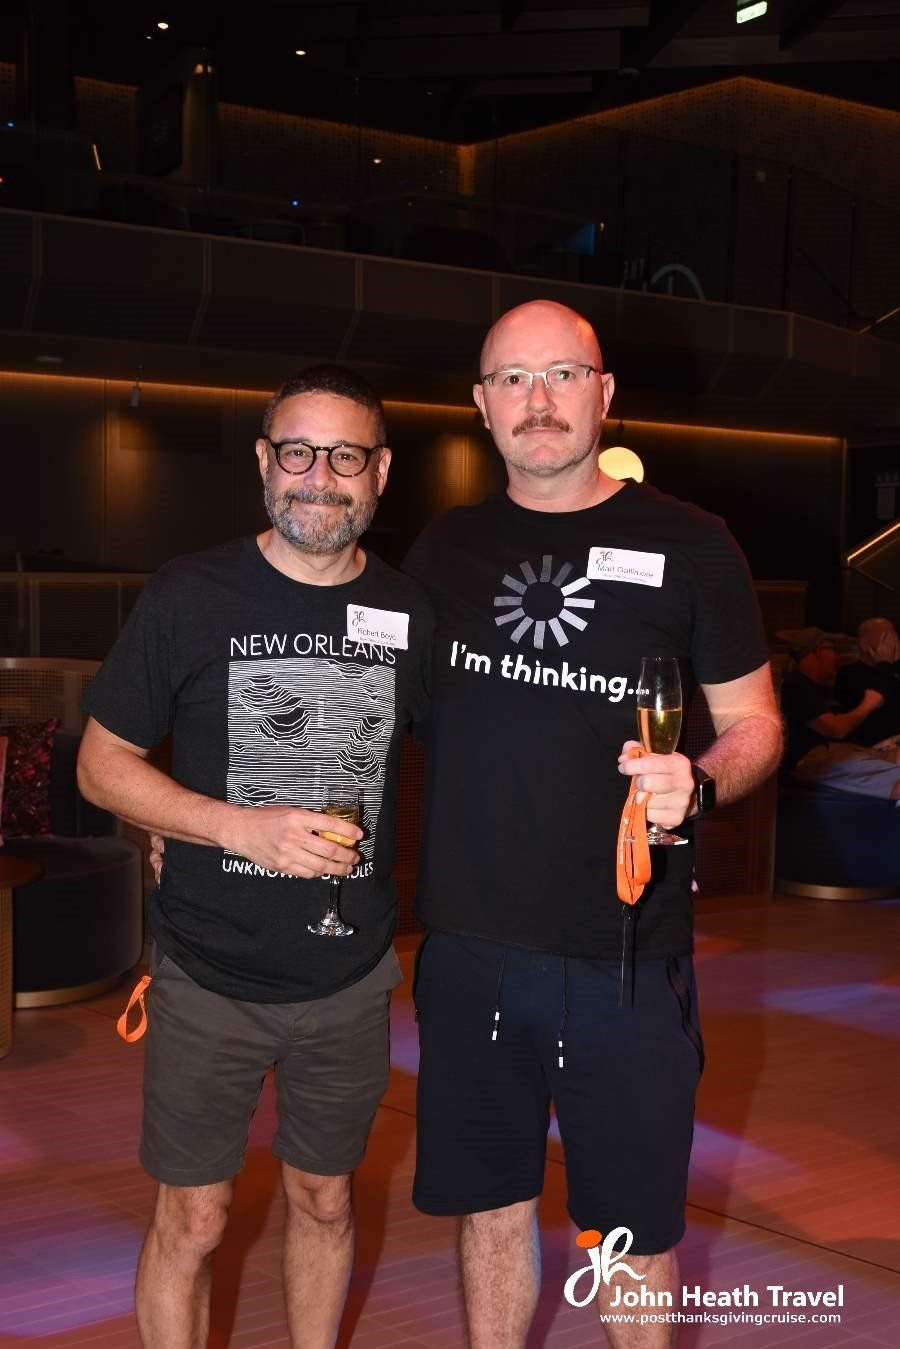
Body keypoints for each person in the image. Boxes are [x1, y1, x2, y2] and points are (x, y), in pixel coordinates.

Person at [403, 299, 784, 1349]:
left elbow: (756, 724)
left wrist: (699, 781)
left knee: (629, 1231)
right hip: (470, 947)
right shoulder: (443, 550)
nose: (539, 399)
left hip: (626, 952)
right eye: (513, 379)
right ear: (482, 404)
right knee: (489, 1210)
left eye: (563, 374)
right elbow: (368, 704)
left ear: (604, 392)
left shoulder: (692, 544)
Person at [76, 364, 432, 1349]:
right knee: (194, 1220)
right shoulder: (191, 592)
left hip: (350, 977)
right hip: (207, 972)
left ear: (381, 472)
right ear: (265, 463)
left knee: (325, 1199)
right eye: (299, 452)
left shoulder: (412, 613)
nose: (321, 476)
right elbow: (102, 765)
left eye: (346, 455)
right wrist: (231, 826)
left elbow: (479, 759)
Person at [778, 626, 900, 801]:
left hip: (839, 750)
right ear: (818, 651)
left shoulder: (818, 688)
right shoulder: (795, 685)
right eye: (833, 650)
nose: (836, 657)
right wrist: (867, 705)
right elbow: (836, 729)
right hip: (812, 758)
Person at [835, 617, 900, 748]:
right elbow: (879, 708)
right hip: (877, 745)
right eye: (886, 638)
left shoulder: (895, 668)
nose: (893, 643)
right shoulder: (849, 673)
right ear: (865, 644)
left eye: (895, 638)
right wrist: (884, 664)